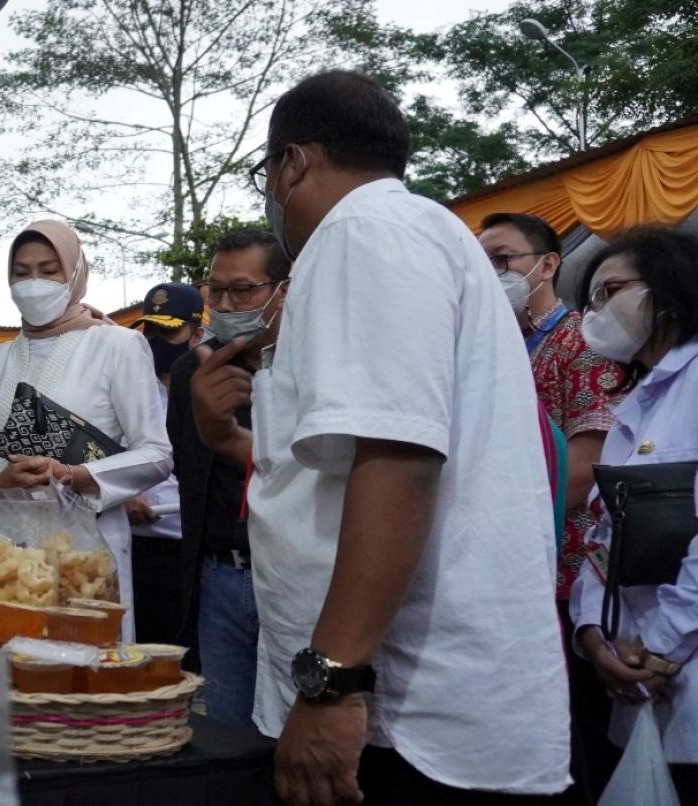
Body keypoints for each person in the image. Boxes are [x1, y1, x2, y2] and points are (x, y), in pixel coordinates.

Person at [191, 72, 570, 803]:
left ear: (293, 163)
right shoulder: (407, 234)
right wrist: (232, 439)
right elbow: (334, 469)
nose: (270, 196)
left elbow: (398, 461)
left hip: (405, 715)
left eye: (266, 174)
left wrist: (332, 682)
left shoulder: (362, 232)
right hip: (399, 699)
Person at [0, 220, 173, 639]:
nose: (33, 281)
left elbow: (156, 453)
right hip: (1, 557)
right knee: (5, 676)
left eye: (49, 269)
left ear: (74, 274)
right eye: (21, 271)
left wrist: (72, 475)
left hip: (87, 558)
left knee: (82, 678)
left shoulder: (117, 346)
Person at [480, 212, 625, 801]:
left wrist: (507, 526)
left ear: (547, 264)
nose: (491, 271)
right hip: (504, 571)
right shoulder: (492, 346)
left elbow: (587, 470)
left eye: (503, 258)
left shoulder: (580, 343)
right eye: (481, 260)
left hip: (564, 572)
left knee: (570, 742)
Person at [569, 226, 698, 802]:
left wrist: (661, 643)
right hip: (635, 674)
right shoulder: (634, 404)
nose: (593, 313)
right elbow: (603, 534)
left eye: (609, 291)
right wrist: (593, 632)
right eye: (588, 300)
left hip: (672, 666)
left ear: (668, 289)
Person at [166, 230, 289, 726]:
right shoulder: (193, 370)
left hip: (292, 574)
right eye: (213, 291)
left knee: (296, 732)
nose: (224, 303)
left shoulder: (317, 363)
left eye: (242, 290)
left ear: (284, 288)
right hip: (220, 575)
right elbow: (186, 470)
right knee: (228, 733)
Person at [126, 282, 203, 646]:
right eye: (150, 329)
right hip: (132, 546)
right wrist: (120, 498)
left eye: (168, 331)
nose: (155, 340)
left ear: (197, 333)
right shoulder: (126, 390)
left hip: (188, 548)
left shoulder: (210, 390)